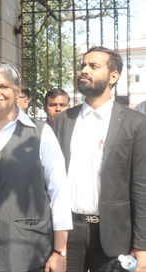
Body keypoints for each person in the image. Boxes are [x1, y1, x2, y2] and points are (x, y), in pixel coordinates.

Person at [0, 63, 72, 272]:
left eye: (3, 86)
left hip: (29, 254)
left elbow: (59, 194)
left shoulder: (41, 134)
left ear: (18, 91)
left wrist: (59, 251)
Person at [54, 46, 146, 272]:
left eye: (93, 66)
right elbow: (51, 181)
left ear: (113, 76)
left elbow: (141, 187)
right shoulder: (63, 120)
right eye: (83, 65)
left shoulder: (135, 123)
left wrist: (141, 245)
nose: (84, 70)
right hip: (68, 233)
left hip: (114, 236)